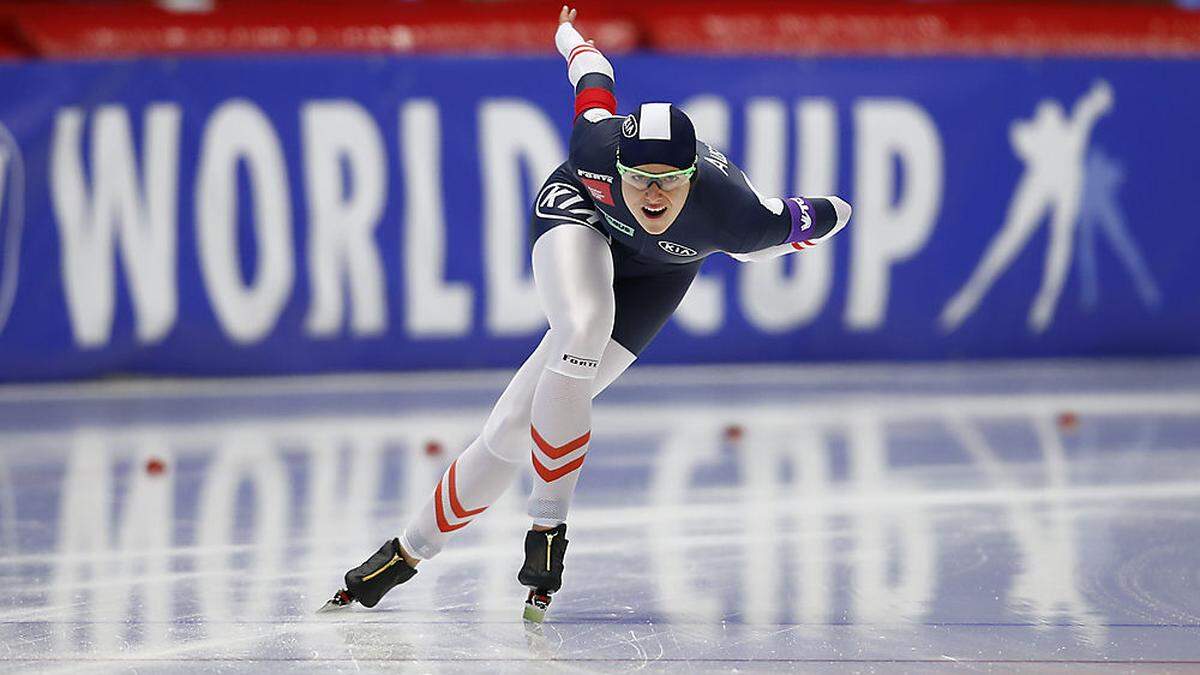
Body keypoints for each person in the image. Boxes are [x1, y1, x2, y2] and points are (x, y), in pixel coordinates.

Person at [320, 5, 852, 622]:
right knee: (584, 324)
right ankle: (549, 529)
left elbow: (834, 210)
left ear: (693, 177)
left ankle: (403, 554)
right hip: (578, 214)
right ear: (618, 166)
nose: (653, 196)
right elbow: (592, 78)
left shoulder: (739, 216)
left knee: (513, 428)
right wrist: (567, 33)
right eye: (640, 179)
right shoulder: (596, 147)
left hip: (660, 274)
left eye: (670, 182)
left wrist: (785, 236)